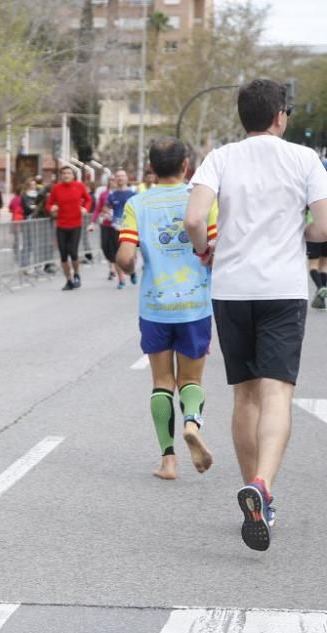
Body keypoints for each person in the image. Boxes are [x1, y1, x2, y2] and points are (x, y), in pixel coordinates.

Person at [185, 79, 327, 551]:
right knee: (277, 393)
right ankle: (263, 486)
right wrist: (300, 237)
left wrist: (205, 249)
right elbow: (324, 223)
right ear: (281, 115)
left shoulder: (221, 157)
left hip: (231, 288)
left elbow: (193, 219)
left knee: (244, 395)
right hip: (282, 289)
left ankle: (255, 493)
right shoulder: (305, 159)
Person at [117, 138, 216, 481]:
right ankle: (192, 423)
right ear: (186, 165)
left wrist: (127, 265)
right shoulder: (202, 200)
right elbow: (214, 247)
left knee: (161, 382)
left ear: (151, 168)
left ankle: (168, 461)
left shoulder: (137, 204)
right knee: (191, 379)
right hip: (194, 306)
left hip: (155, 307)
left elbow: (126, 257)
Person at [46, 166, 92, 290]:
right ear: (61, 175)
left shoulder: (79, 186)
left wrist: (85, 209)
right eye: (64, 173)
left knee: (73, 251)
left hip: (75, 225)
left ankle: (76, 274)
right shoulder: (56, 188)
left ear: (73, 175)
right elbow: (49, 203)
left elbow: (88, 200)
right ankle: (68, 280)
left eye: (69, 173)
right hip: (61, 225)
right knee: (63, 254)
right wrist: (52, 208)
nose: (66, 175)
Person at [107, 170, 138, 288]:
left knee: (131, 254)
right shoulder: (112, 195)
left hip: (131, 227)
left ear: (126, 178)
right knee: (117, 254)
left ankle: (132, 271)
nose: (120, 178)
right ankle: (121, 280)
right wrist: (107, 213)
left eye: (122, 176)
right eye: (118, 176)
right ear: (115, 179)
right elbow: (107, 207)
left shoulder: (133, 193)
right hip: (116, 227)